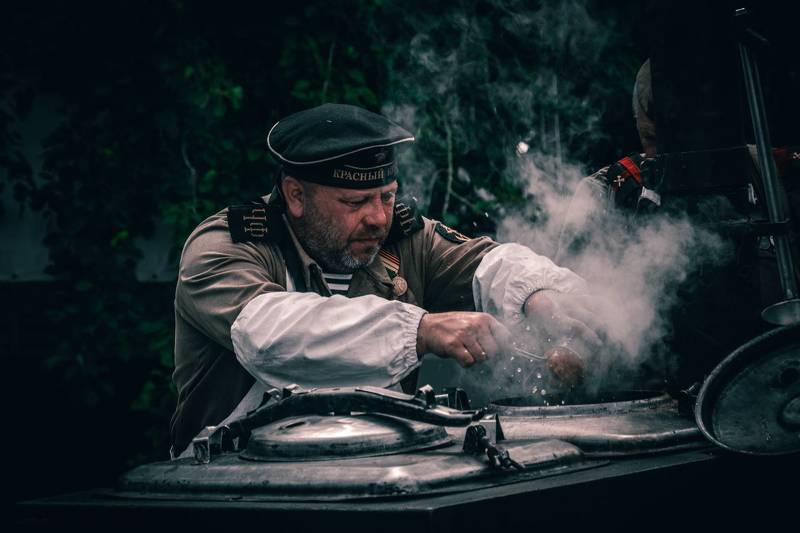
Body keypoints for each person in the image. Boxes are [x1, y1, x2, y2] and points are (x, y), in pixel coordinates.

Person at [169, 103, 598, 458]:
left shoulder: (406, 239)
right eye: (355, 202)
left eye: (387, 196)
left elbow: (492, 262)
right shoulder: (227, 246)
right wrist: (421, 330)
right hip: (229, 486)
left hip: (374, 472)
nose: (378, 218)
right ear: (296, 195)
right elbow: (270, 334)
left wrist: (539, 296)